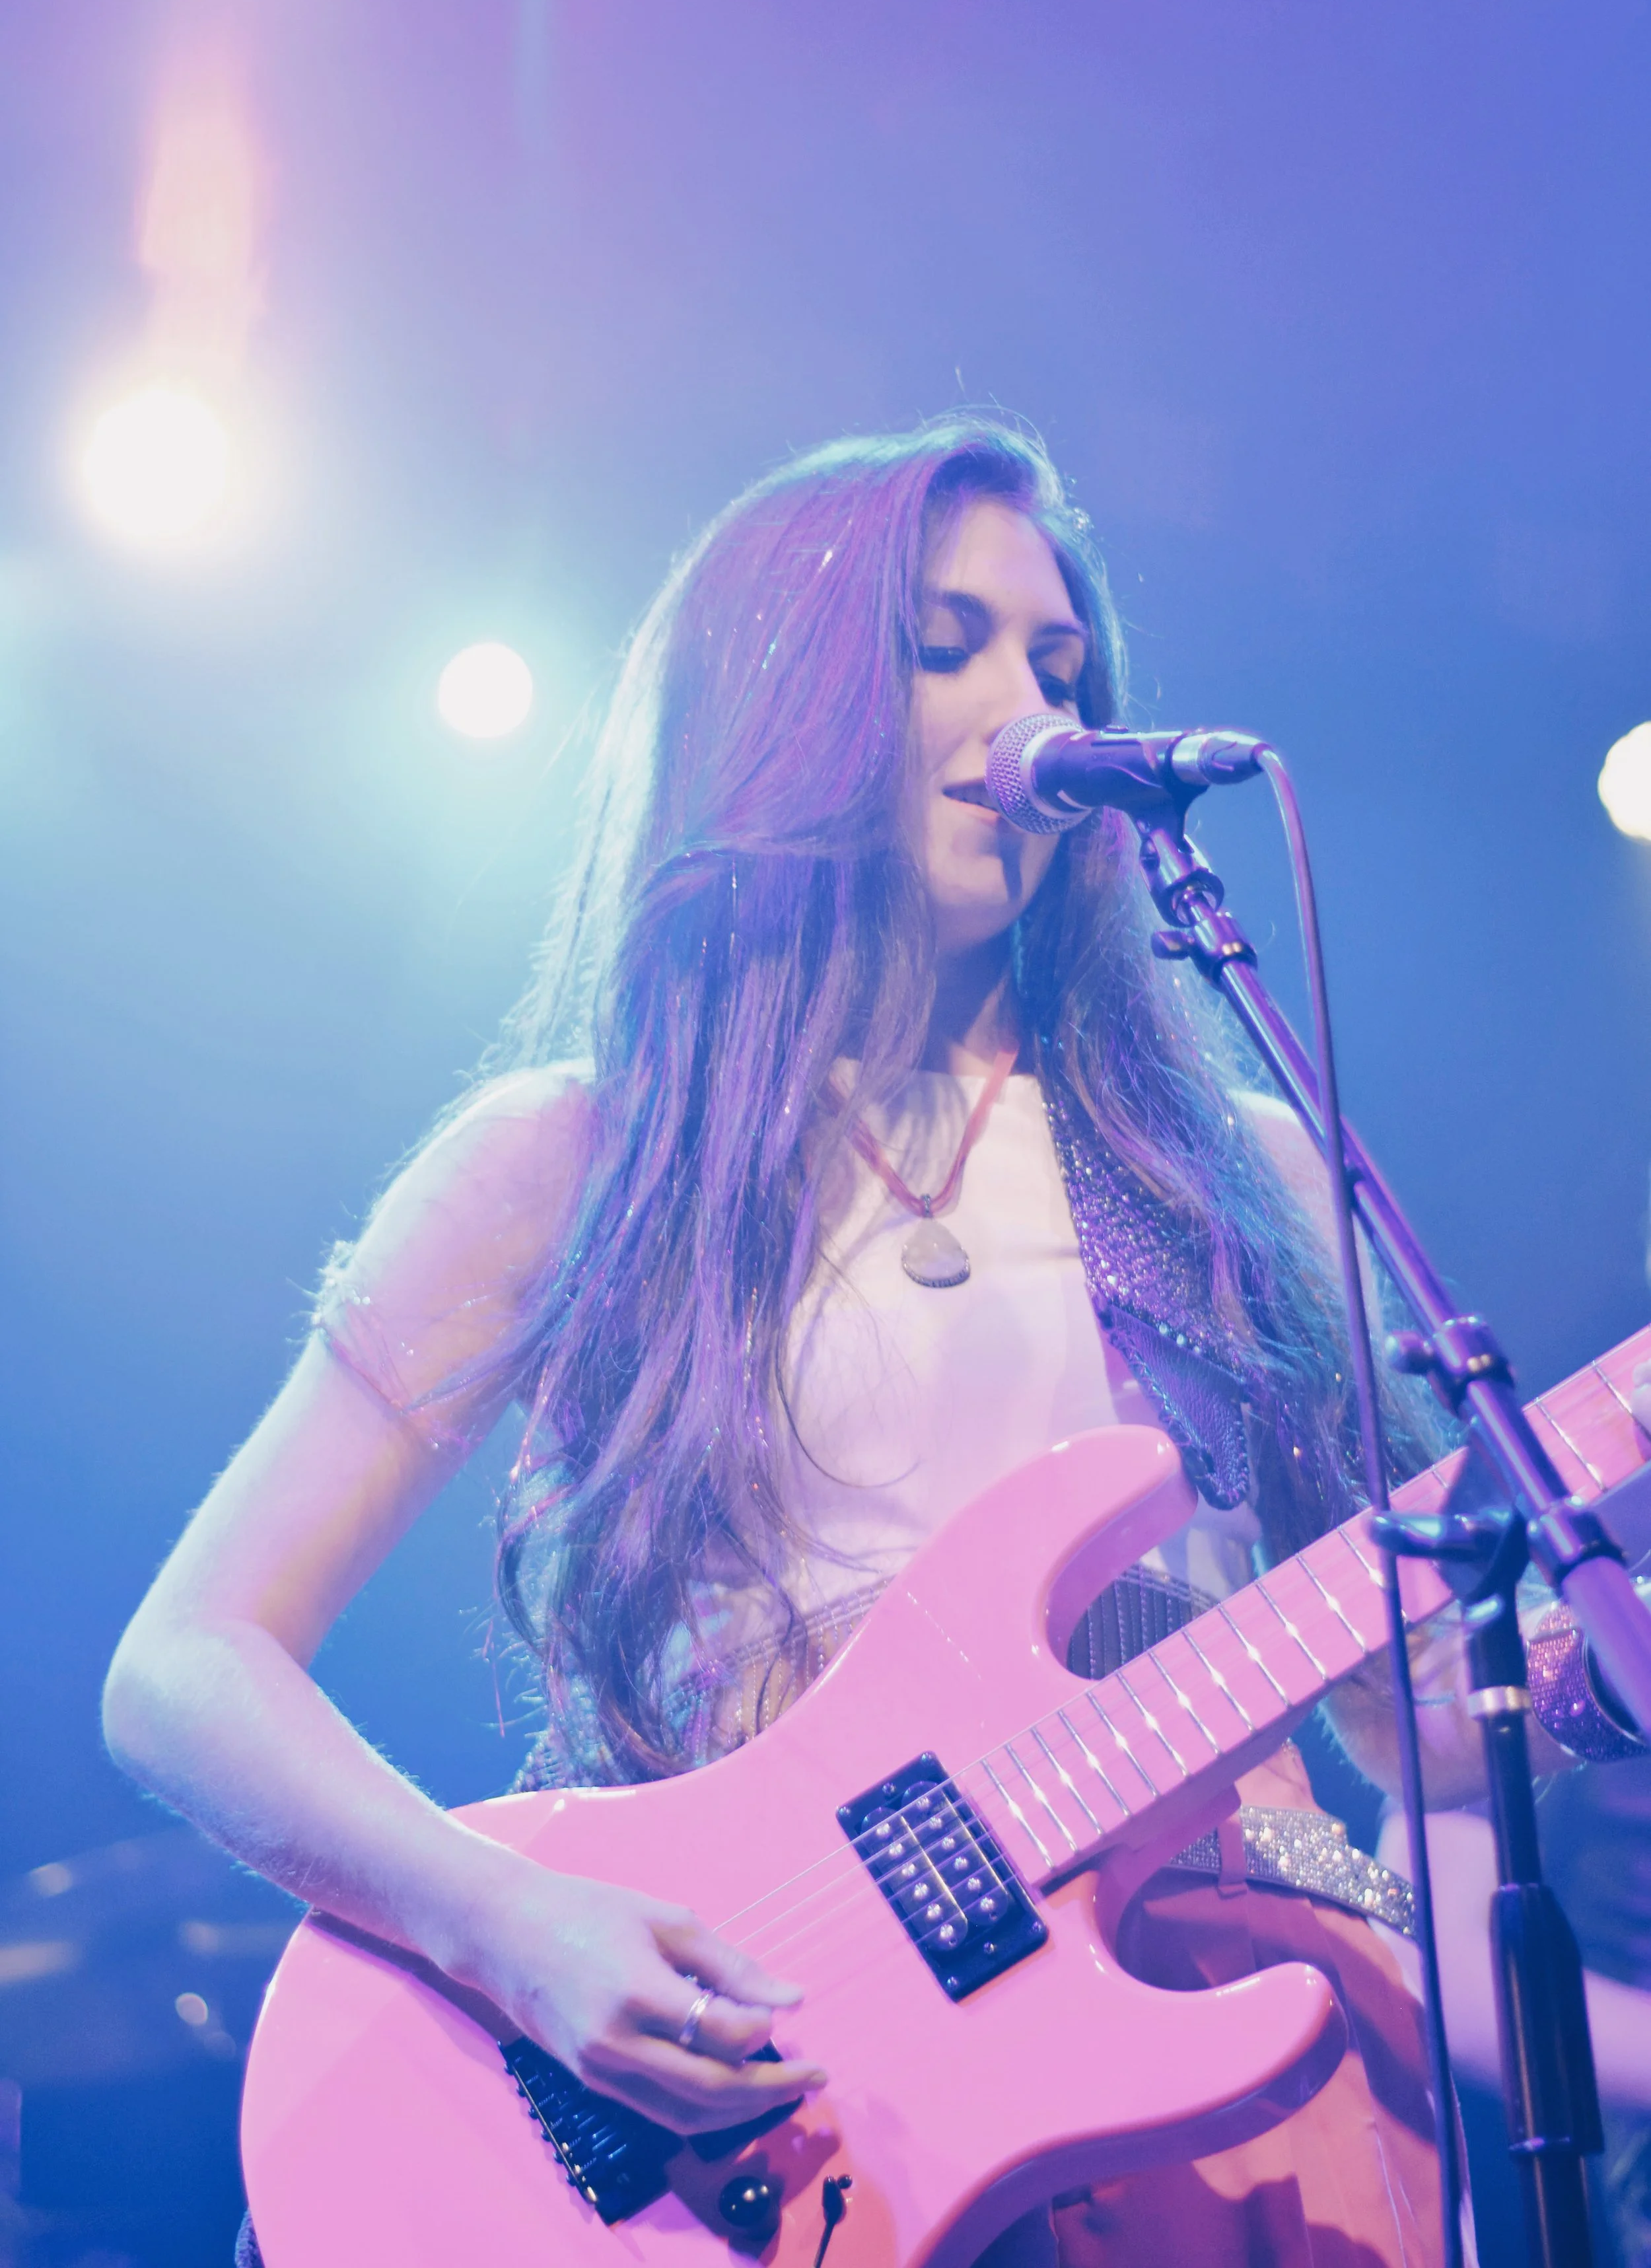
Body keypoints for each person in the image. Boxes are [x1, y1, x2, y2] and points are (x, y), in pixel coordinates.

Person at [100, 418, 1606, 2265]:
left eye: (1060, 664)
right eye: (944, 640)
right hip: (801, 2098)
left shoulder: (1236, 1171)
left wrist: (1549, 1709)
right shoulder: (575, 1159)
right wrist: (507, 1919)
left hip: (1254, 2090)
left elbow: (1423, 1753)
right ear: (784, 699)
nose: (1025, 707)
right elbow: (186, 1661)